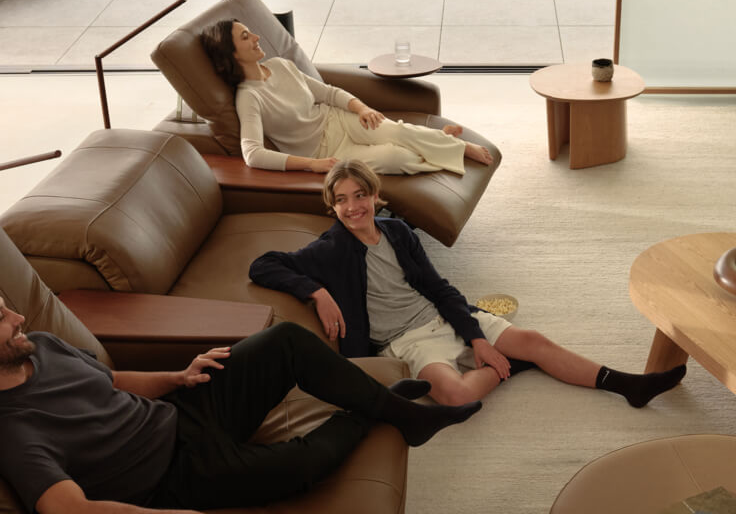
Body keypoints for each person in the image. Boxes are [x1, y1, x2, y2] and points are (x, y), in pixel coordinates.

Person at [0, 277, 479, 514]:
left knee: (284, 342)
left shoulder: (43, 348)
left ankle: (399, 416)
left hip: (180, 414)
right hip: (170, 478)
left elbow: (106, 381)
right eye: (0, 319)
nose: (17, 319)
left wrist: (179, 376)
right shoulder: (7, 427)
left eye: (7, 307)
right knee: (296, 470)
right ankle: (386, 413)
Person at [248, 158, 688, 409]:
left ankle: (626, 384)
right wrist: (317, 291)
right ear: (332, 207)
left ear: (374, 195)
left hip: (440, 315)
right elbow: (263, 264)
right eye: (341, 200)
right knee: (456, 398)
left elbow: (439, 288)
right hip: (404, 341)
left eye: (359, 195)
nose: (353, 207)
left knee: (533, 338)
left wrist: (476, 335)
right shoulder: (329, 249)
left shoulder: (398, 232)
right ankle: (509, 367)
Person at [198, 17, 494, 175]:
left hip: (340, 120)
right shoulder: (248, 98)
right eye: (245, 37)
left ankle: (456, 145)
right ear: (231, 53)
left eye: (251, 32)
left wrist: (362, 108)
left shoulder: (279, 65)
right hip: (323, 152)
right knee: (395, 158)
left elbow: (328, 93)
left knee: (399, 132)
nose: (256, 38)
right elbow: (252, 155)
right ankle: (442, 142)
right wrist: (313, 165)